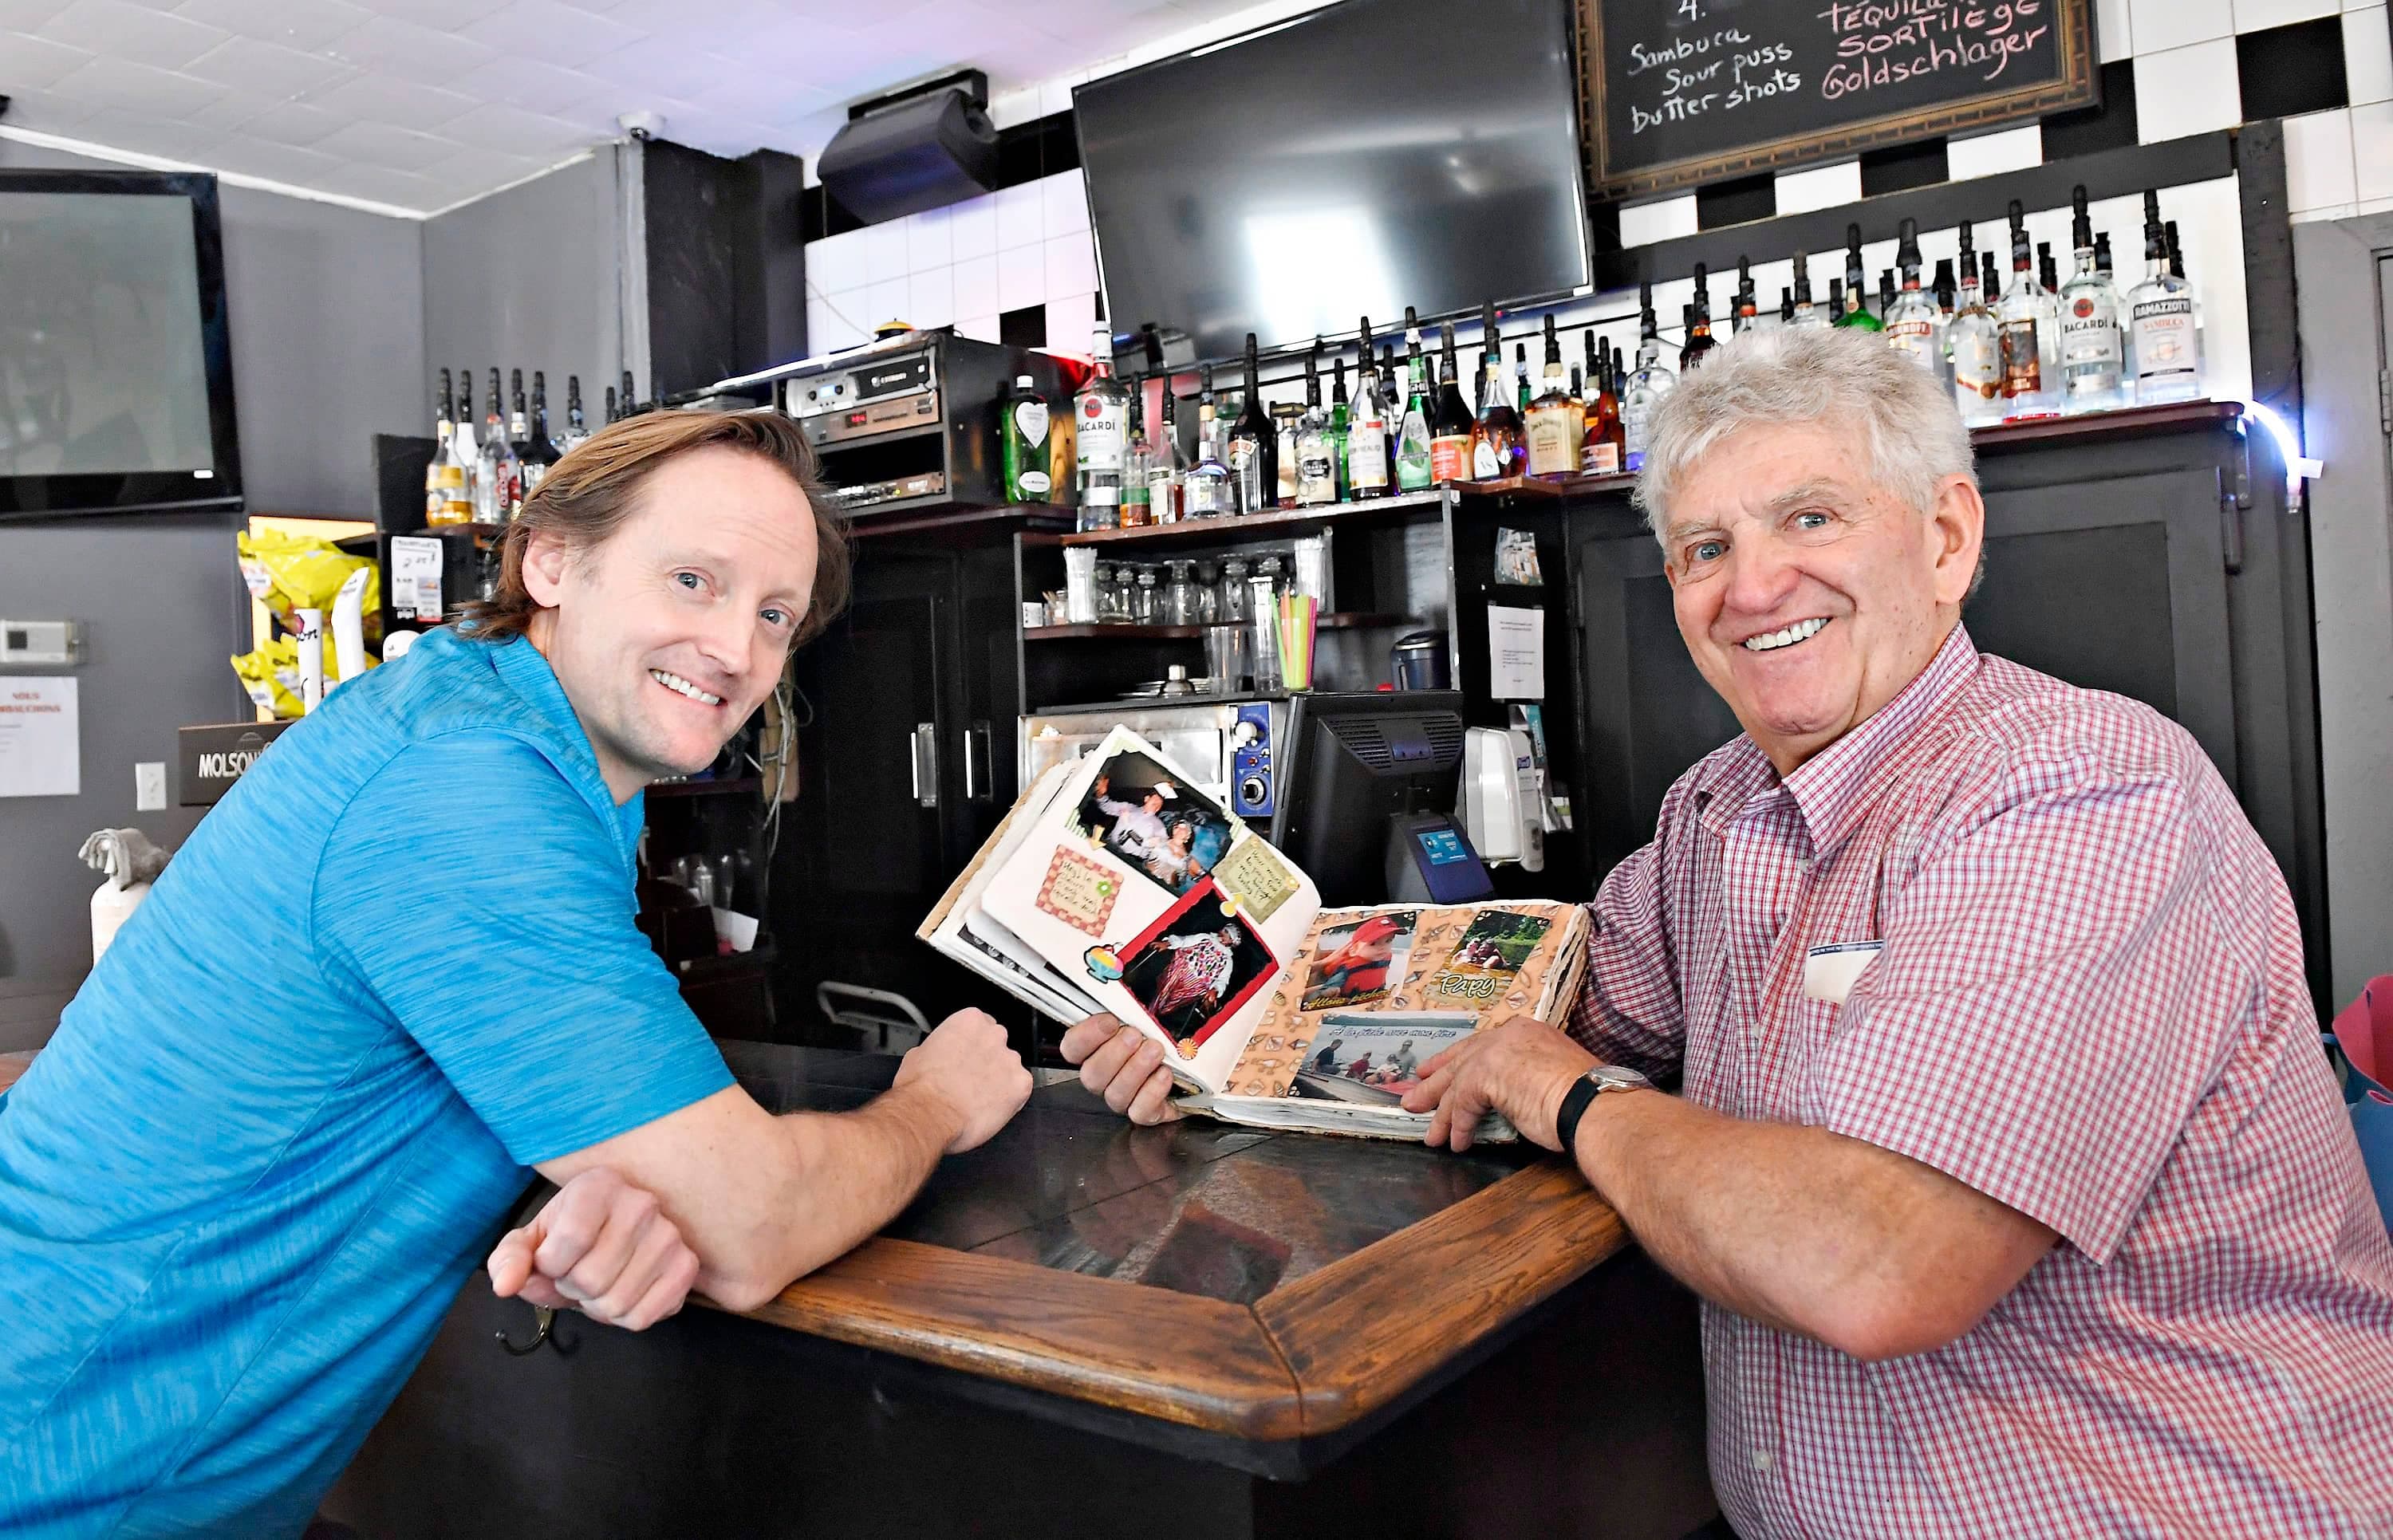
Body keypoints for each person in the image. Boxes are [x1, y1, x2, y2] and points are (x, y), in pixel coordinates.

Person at [1066, 327, 2393, 1534]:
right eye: (1705, 549)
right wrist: (1215, 1037)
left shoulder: (2077, 789)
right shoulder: (1721, 811)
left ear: (1946, 539)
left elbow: (1878, 1262)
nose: (1753, 586)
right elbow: (1513, 1013)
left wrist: (1572, 1095)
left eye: (1810, 517)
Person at [0, 409, 1033, 1538]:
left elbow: (487, 1080)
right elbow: (752, 1228)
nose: (738, 650)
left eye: (774, 614)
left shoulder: (490, 731)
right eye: (693, 580)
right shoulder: (466, 786)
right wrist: (936, 1103)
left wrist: (618, 1181)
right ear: (549, 563)